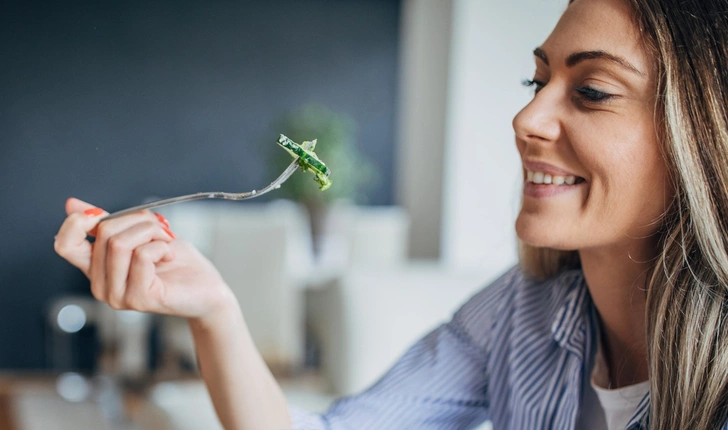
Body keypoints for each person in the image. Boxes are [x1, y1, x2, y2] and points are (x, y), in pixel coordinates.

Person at [54, 0, 728, 428]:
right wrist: (214, 311)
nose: (526, 118)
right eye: (537, 80)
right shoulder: (522, 313)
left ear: (702, 137)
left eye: (591, 90)